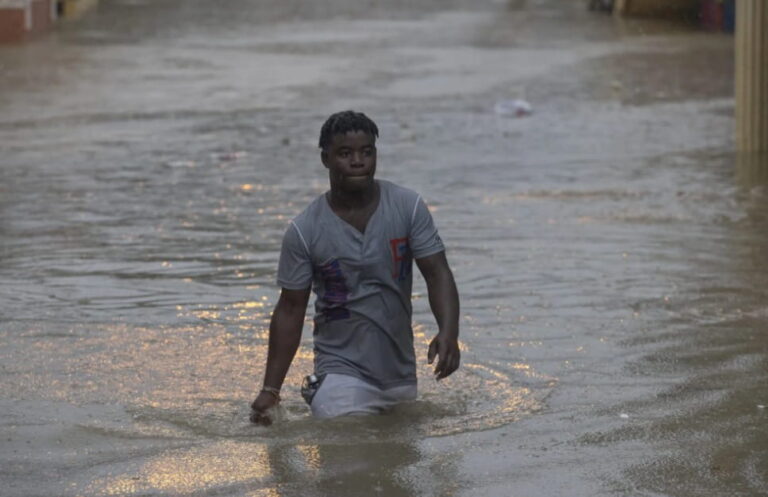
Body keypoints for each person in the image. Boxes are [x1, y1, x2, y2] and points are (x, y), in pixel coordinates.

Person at [250, 110, 460, 424]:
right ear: (325, 159)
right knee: (352, 462)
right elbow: (291, 309)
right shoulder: (305, 230)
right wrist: (270, 389)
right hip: (340, 374)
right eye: (345, 154)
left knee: (398, 466)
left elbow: (437, 273)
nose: (358, 161)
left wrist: (449, 331)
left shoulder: (407, 207)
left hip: (400, 375)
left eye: (367, 152)